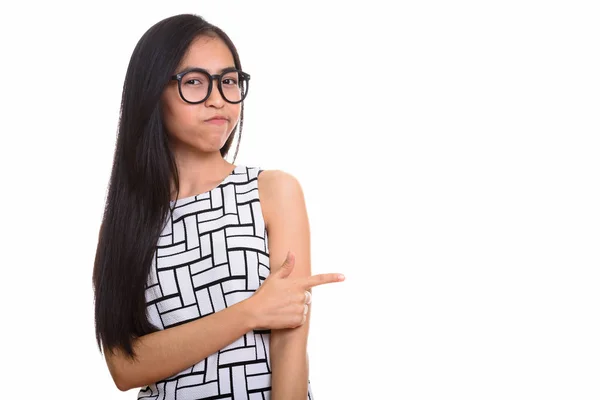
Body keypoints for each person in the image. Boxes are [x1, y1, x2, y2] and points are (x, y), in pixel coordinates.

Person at [92, 13, 345, 400]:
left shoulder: (273, 191)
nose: (217, 99)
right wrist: (252, 312)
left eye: (228, 82)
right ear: (152, 92)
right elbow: (124, 367)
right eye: (194, 82)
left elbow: (289, 347)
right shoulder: (130, 221)